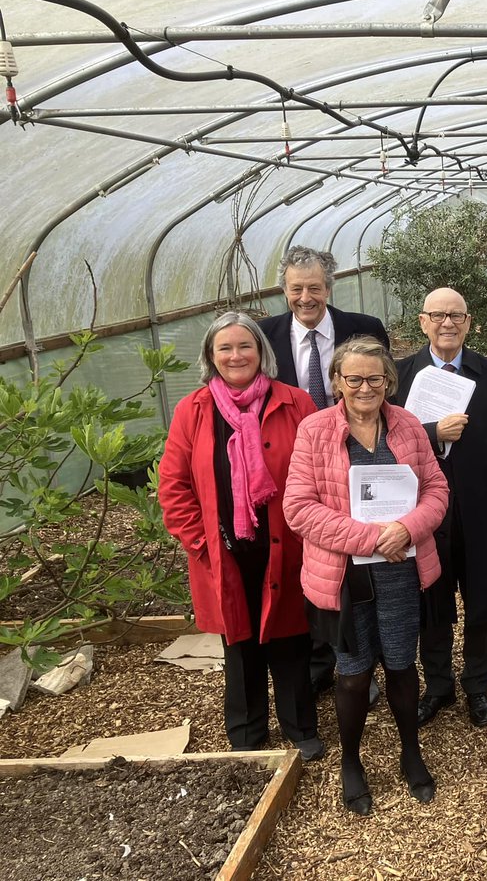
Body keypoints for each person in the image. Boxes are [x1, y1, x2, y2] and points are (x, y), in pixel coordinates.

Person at [283, 337, 449, 815]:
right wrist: (369, 538)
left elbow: (436, 488)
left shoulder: (409, 426)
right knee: (353, 675)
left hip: (401, 572)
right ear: (337, 382)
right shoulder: (315, 431)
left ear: (388, 382)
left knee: (401, 665)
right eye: (352, 378)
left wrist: (406, 529)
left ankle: (410, 753)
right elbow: (298, 508)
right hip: (345, 576)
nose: (363, 387)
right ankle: (351, 762)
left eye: (374, 379)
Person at [159, 312, 323, 761]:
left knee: (290, 637)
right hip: (223, 552)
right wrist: (201, 543)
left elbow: (318, 473)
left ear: (262, 353)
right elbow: (173, 486)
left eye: (244, 346)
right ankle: (247, 733)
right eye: (224, 348)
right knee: (240, 642)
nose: (236, 356)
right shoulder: (193, 411)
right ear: (211, 357)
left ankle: (300, 728)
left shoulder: (294, 403)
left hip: (285, 546)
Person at [259, 245, 389, 700]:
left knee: (356, 567)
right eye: (296, 288)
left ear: (329, 288)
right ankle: (320, 664)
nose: (305, 297)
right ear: (285, 291)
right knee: (310, 565)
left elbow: (381, 391)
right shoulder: (265, 336)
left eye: (314, 287)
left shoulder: (364, 328)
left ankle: (359, 663)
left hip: (355, 466)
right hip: (293, 467)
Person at [393, 288, 487, 730]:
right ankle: (438, 685)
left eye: (457, 316)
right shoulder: (399, 374)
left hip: (482, 504)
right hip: (423, 508)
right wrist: (431, 432)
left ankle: (478, 685)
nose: (447, 323)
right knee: (432, 595)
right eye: (438, 315)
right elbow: (386, 441)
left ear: (469, 323)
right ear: (422, 321)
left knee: (483, 597)